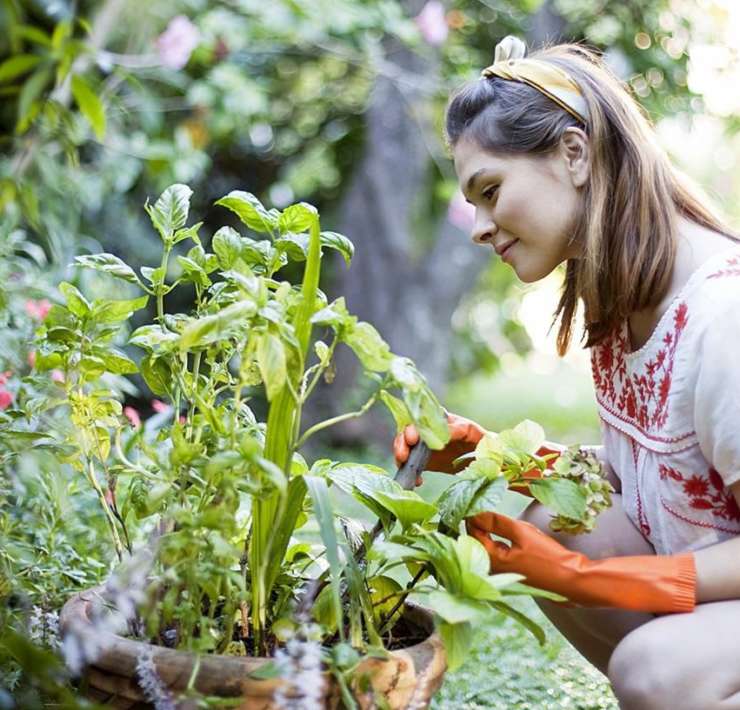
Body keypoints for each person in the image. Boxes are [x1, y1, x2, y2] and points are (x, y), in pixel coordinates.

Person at [393, 35, 740, 709]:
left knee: (654, 670)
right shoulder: (621, 296)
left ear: (574, 154)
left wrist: (587, 578)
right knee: (558, 518)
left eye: (491, 190)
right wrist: (492, 456)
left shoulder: (721, 320)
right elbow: (654, 481)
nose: (479, 226)